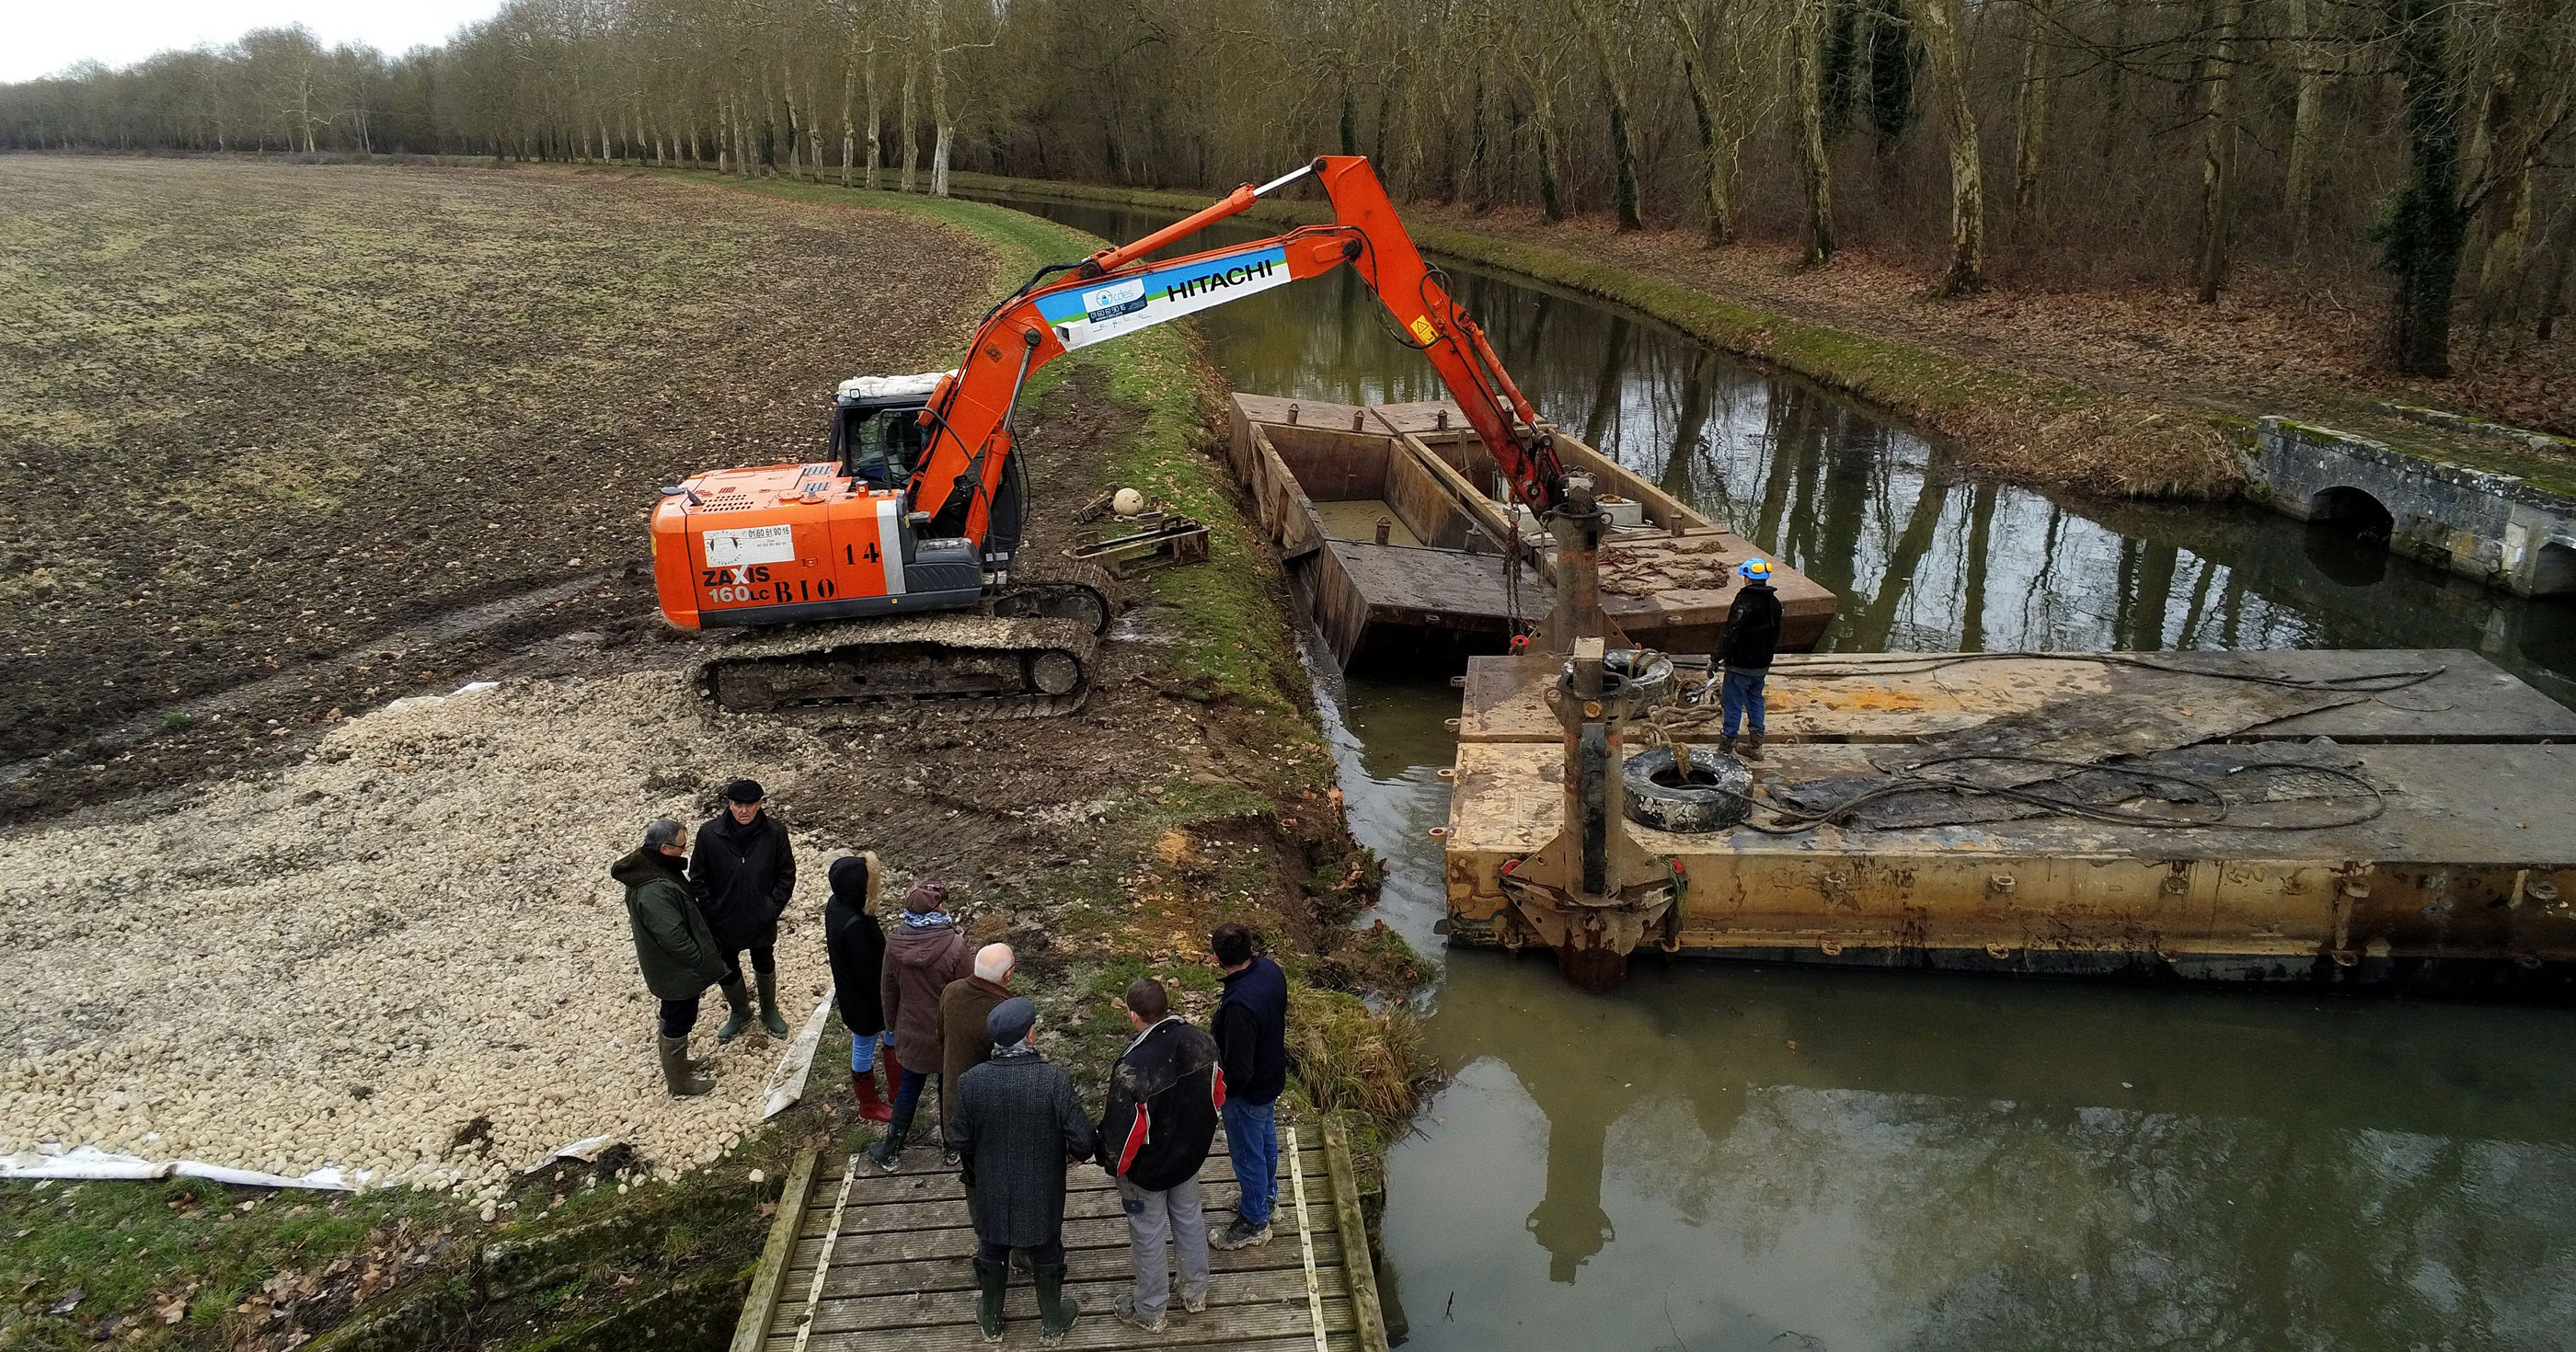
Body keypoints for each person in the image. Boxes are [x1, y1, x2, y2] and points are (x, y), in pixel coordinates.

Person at [949, 996, 1096, 1347]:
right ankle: (1052, 1323)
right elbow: (1084, 1140)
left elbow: (959, 1138)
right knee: (1046, 1248)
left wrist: (983, 1159)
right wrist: (1070, 1157)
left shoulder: (971, 1082)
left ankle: (993, 1321)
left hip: (992, 1186)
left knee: (991, 1245)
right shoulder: (1054, 1081)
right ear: (1030, 1037)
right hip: (1042, 1188)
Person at [1098, 978, 1221, 1332]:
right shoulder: (1202, 1042)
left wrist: (1114, 1167)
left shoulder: (1133, 1068)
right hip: (1188, 1158)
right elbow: (1217, 1095)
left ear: (1133, 1016)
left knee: (1148, 1234)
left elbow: (1122, 1134)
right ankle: (1195, 1293)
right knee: (1189, 1218)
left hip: (1146, 1172)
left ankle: (1150, 1310)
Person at [613, 818, 729, 1098]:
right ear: (665, 848)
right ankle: (679, 1083)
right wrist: (699, 958)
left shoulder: (651, 867)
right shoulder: (654, 888)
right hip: (675, 969)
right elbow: (672, 936)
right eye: (682, 845)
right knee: (679, 1017)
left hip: (668, 967)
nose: (685, 850)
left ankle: (678, 1065)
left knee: (672, 1013)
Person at [870, 877, 970, 1170]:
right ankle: (952, 1149)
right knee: (948, 1090)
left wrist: (892, 1025)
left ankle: (891, 1149)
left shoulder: (893, 944)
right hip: (947, 1034)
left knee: (908, 1090)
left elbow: (888, 989)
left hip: (912, 1032)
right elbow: (966, 991)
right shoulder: (955, 945)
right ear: (938, 909)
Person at [692, 779, 797, 1039]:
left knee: (764, 961)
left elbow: (786, 875)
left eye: (750, 805)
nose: (744, 811)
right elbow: (698, 877)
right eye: (738, 804)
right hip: (722, 920)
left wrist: (770, 908)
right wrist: (713, 910)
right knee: (726, 966)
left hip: (761, 918)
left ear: (761, 804)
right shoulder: (709, 834)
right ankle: (740, 1011)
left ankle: (769, 1009)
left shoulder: (775, 833)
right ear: (729, 803)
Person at [1207, 922, 1288, 1252]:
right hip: (1271, 1077)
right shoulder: (1270, 971)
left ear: (1216, 958)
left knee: (1247, 1155)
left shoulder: (1239, 1006)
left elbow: (1238, 1069)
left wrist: (1222, 1091)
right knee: (1266, 1141)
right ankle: (1267, 1199)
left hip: (1247, 1093)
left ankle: (1255, 1221)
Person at [822, 852, 892, 1123]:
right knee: (865, 1045)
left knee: (882, 1038)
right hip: (868, 1000)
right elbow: (871, 972)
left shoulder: (836, 904)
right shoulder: (856, 926)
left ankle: (891, 1092)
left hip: (851, 992)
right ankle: (869, 1104)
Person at [939, 944, 1017, 1132]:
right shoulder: (1006, 1013)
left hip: (954, 1102)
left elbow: (940, 1038)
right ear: (1007, 976)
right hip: (989, 1114)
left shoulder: (951, 991)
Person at [1717, 556, 1783, 759]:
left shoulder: (1744, 602)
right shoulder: (1775, 603)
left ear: (1747, 578)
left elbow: (1730, 632)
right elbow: (1775, 634)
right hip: (1761, 665)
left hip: (1740, 665)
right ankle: (1756, 746)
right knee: (1755, 700)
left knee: (1732, 702)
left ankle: (1726, 747)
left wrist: (1715, 658)